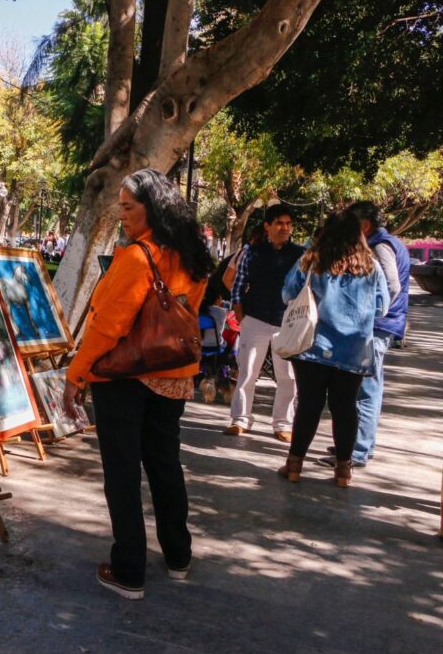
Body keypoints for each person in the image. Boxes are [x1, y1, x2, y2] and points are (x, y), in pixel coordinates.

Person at [63, 168, 213, 600]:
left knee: (123, 472)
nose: (122, 214)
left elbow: (109, 328)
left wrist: (76, 375)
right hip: (173, 377)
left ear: (153, 208)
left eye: (129, 207)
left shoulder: (137, 257)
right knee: (165, 464)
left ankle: (129, 570)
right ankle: (178, 555)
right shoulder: (192, 256)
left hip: (126, 376)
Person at [277, 210, 389, 487]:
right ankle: (343, 471)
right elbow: (383, 306)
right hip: (353, 348)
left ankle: (294, 465)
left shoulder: (311, 260)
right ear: (358, 235)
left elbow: (288, 294)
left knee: (309, 405)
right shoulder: (371, 266)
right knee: (346, 408)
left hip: (312, 345)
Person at [316, 201, 410, 469]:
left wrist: (371, 315)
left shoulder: (380, 246)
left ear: (365, 225)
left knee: (367, 389)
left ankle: (357, 450)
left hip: (378, 328)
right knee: (362, 388)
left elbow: (391, 285)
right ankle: (354, 443)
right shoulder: (385, 242)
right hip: (380, 326)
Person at [225, 204, 304, 441]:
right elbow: (238, 285)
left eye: (288, 224)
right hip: (255, 319)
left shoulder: (300, 255)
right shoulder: (252, 252)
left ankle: (283, 424)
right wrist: (241, 316)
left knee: (287, 376)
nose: (285, 228)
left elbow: (305, 289)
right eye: (279, 223)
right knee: (247, 372)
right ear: (267, 226)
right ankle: (240, 419)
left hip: (287, 323)